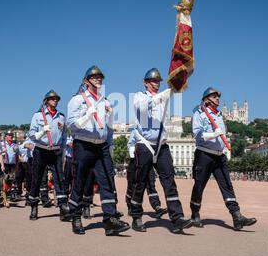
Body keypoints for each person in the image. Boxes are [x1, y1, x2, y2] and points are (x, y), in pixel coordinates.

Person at [67, 65, 129, 235]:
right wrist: (87, 115)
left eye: (100, 77)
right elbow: (71, 124)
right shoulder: (77, 100)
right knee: (80, 180)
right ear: (86, 81)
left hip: (101, 146)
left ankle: (110, 220)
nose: (98, 79)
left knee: (107, 181)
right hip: (83, 144)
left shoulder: (105, 102)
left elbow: (108, 128)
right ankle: (75, 216)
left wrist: (109, 146)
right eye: (94, 77)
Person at [130, 68, 192, 233]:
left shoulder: (164, 99)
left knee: (169, 181)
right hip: (145, 144)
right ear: (145, 83)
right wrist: (164, 95)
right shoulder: (139, 97)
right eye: (153, 81)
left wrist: (178, 80)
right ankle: (136, 216)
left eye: (158, 81)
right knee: (141, 182)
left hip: (162, 145)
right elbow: (143, 108)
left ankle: (177, 217)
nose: (156, 84)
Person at [190, 87, 257, 231]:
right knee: (199, 186)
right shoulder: (199, 113)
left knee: (227, 185)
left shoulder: (220, 115)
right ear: (207, 99)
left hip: (220, 156)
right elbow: (197, 134)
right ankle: (195, 214)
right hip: (204, 154)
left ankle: (236, 216)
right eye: (214, 97)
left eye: (217, 97)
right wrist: (213, 134)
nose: (217, 99)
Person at [27, 90, 69, 221]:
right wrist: (42, 132)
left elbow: (64, 136)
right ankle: (34, 206)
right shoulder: (38, 116)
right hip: (41, 150)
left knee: (59, 180)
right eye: (52, 99)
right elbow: (32, 135)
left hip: (55, 151)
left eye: (56, 99)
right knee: (37, 179)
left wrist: (61, 150)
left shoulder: (61, 117)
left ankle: (63, 208)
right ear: (46, 101)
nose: (55, 100)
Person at [126, 130, 167, 218]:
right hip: (135, 161)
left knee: (151, 185)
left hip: (147, 161)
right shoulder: (135, 131)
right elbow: (130, 144)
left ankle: (157, 207)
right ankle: (131, 207)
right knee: (132, 185)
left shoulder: (149, 135)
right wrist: (133, 152)